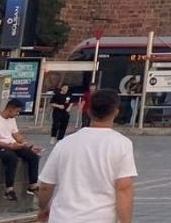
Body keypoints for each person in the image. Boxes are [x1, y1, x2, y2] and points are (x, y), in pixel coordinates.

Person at [36, 89, 136, 223]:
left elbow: (46, 185)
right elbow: (124, 188)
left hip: (62, 217)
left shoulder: (65, 143)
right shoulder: (121, 144)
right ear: (116, 112)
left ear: (88, 111)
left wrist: (43, 208)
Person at [0, 98, 41, 201]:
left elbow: (16, 135)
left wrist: (28, 146)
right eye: (17, 111)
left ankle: (33, 185)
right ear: (10, 109)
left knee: (33, 156)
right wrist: (9, 146)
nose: (17, 114)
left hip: (11, 146)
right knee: (11, 157)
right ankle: (9, 189)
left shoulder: (12, 120)